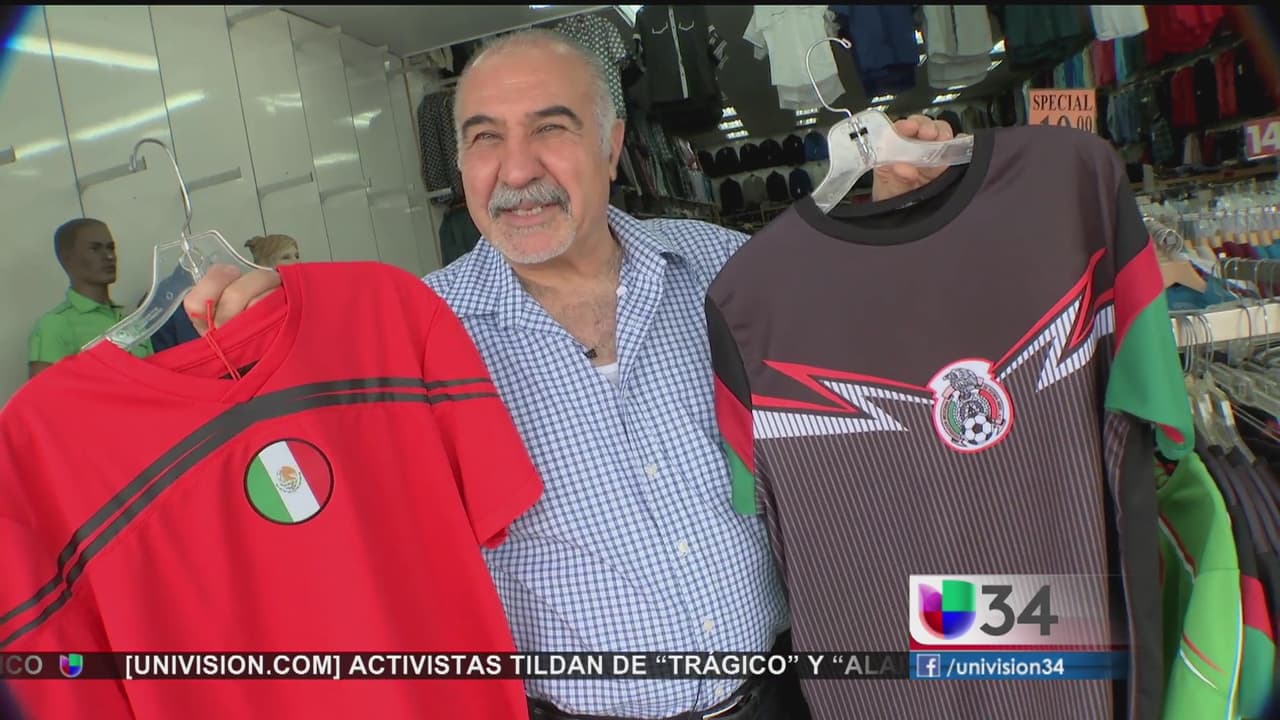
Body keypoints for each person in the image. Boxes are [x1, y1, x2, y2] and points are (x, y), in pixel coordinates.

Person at [180, 30, 956, 720]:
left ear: (612, 146)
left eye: (550, 128)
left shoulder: (726, 268)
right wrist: (269, 339)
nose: (517, 170)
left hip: (781, 694)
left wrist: (898, 227)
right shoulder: (407, 339)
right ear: (461, 163)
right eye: (485, 138)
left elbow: (876, 389)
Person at [28, 218, 151, 378]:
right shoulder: (55, 325)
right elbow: (44, 391)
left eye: (111, 248)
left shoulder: (130, 320)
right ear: (67, 258)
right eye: (94, 249)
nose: (109, 256)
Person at [151, 233, 300, 352]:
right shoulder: (165, 302)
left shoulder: (301, 293)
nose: (296, 262)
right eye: (286, 257)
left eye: (297, 256)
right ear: (263, 260)